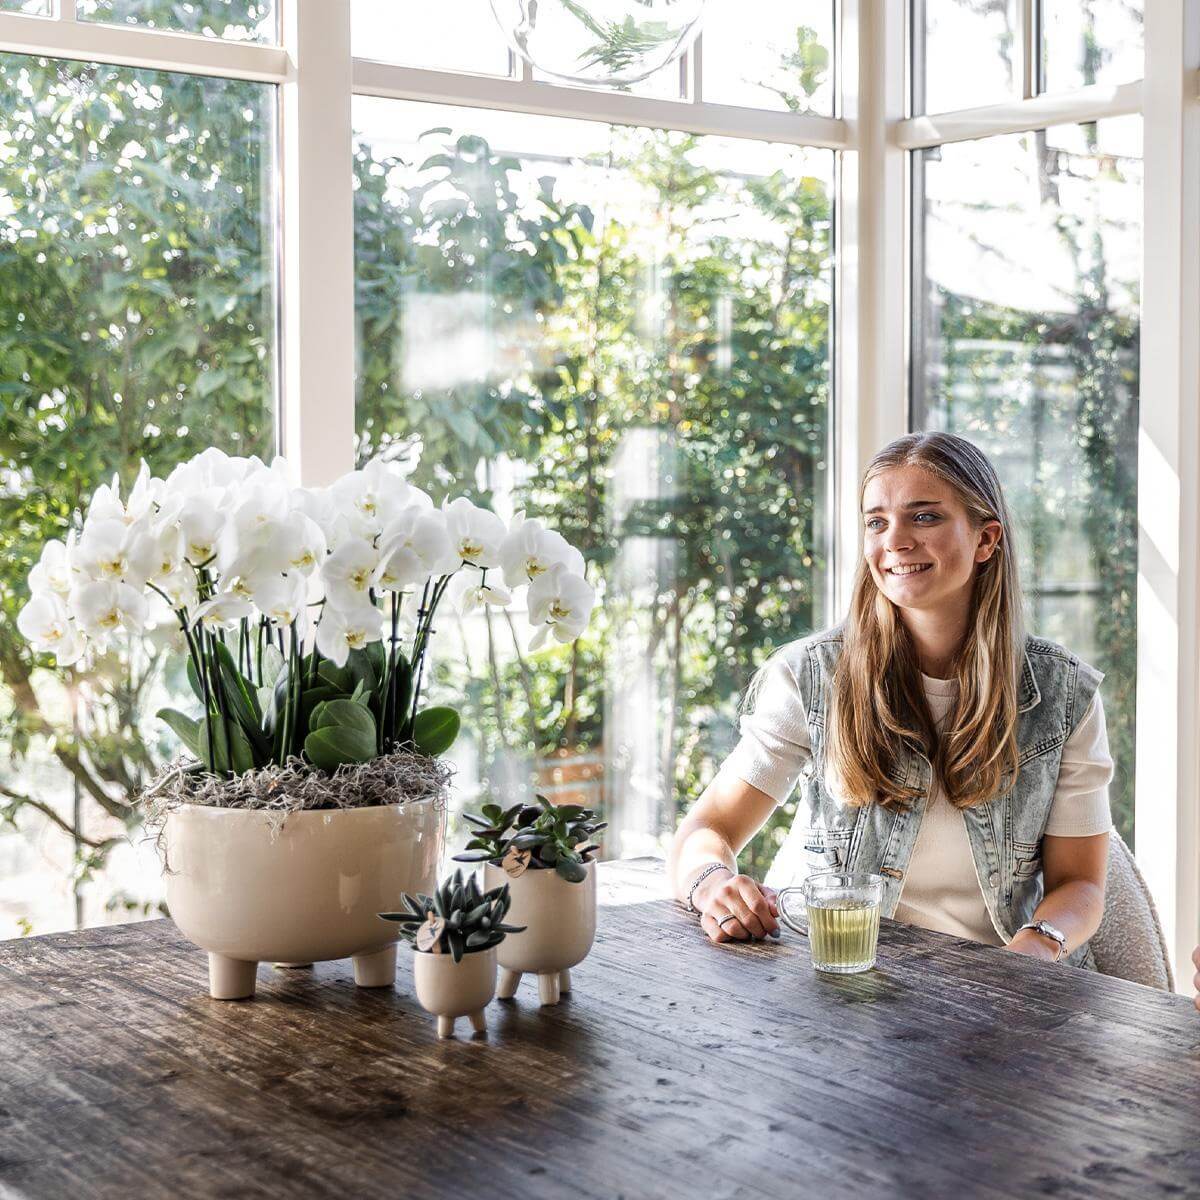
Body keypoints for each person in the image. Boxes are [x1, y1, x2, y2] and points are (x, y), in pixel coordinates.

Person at [669, 432, 1113, 967]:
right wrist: (712, 883)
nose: (894, 541)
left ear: (986, 539)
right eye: (876, 521)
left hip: (1001, 996)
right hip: (847, 976)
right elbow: (706, 829)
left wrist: (1034, 949)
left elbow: (1081, 885)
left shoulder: (1063, 696)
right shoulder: (811, 676)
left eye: (924, 517)